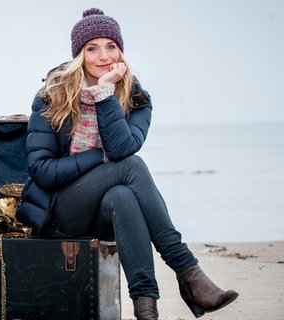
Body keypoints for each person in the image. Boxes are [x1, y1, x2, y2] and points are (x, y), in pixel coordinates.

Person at [15, 8, 238, 320]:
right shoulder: (53, 95)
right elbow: (42, 170)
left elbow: (120, 147)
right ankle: (188, 273)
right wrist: (99, 156)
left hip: (105, 213)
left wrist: (105, 93)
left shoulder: (136, 98)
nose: (103, 56)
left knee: (123, 195)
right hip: (58, 210)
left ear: (121, 51)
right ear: (80, 54)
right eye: (92, 48)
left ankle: (146, 310)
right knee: (132, 168)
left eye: (111, 46)